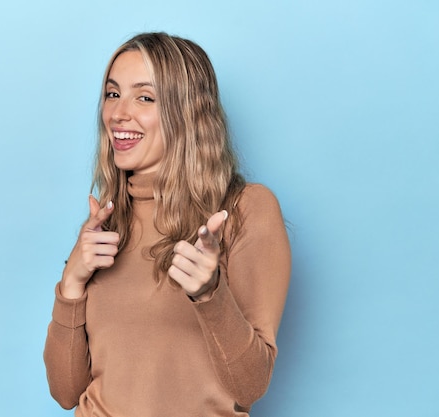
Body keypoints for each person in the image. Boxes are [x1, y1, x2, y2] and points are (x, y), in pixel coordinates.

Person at [43, 32, 291, 416]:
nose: (118, 114)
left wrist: (211, 294)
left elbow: (251, 384)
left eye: (144, 97)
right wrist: (72, 283)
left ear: (187, 112)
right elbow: (65, 392)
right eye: (112, 94)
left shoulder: (244, 210)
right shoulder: (107, 224)